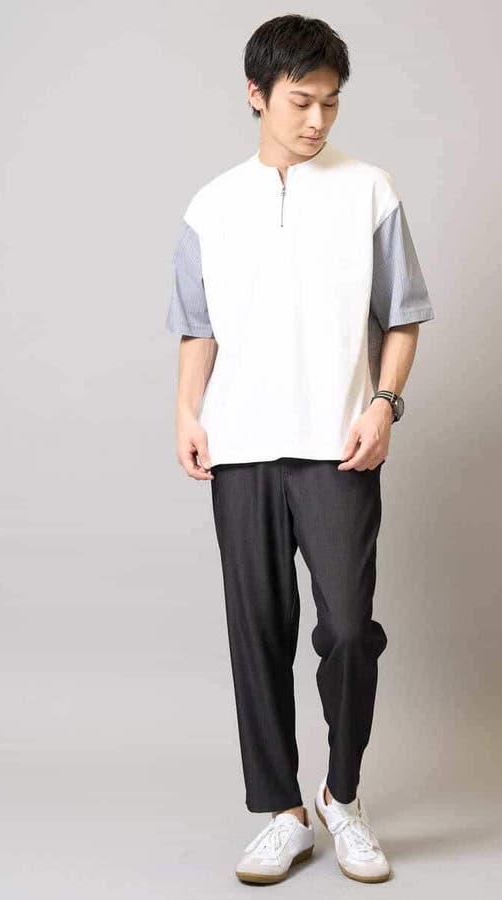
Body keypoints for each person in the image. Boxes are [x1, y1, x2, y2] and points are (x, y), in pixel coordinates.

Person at [165, 14, 435, 885]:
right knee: (257, 634)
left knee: (349, 630)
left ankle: (342, 797)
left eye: (331, 102)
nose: (318, 119)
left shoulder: (370, 190)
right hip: (240, 448)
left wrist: (384, 405)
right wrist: (187, 412)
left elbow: (403, 315)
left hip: (337, 446)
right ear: (257, 95)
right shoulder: (211, 205)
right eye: (301, 101)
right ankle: (282, 813)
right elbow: (198, 327)